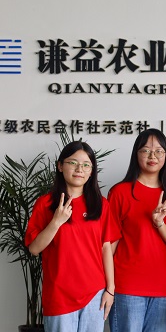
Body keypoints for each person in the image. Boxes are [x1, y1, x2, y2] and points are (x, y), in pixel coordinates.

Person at [25, 141, 116, 332]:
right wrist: (56, 222)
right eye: (73, 163)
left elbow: (106, 247)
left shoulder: (101, 205)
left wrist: (110, 289)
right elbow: (34, 249)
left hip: (94, 294)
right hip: (59, 295)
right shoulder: (45, 204)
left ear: (91, 171)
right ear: (60, 166)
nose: (79, 169)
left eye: (86, 165)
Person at [108, 128, 166, 332]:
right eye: (146, 150)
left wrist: (159, 223)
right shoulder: (120, 192)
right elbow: (109, 243)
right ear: (136, 154)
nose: (153, 156)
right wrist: (106, 285)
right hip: (127, 285)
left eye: (159, 151)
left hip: (161, 286)